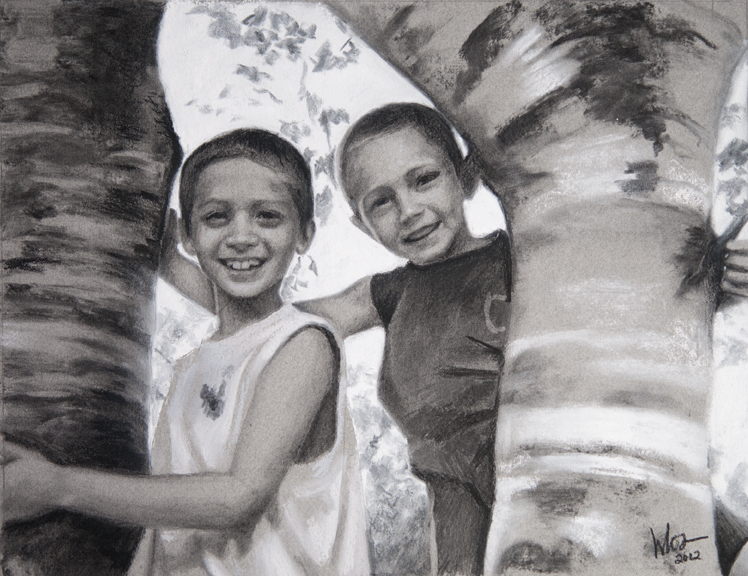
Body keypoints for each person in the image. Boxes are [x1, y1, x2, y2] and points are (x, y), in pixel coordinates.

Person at [2, 129, 370, 576]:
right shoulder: (190, 368)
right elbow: (162, 530)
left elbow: (239, 499)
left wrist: (58, 486)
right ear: (187, 235)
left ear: (304, 234)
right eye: (216, 217)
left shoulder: (303, 344)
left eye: (267, 217)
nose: (241, 236)